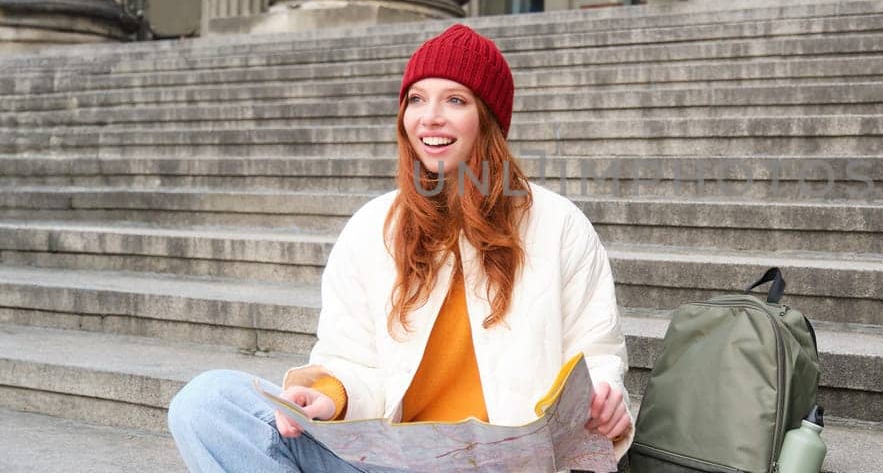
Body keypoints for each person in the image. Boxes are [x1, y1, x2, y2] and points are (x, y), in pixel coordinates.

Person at [167, 24, 633, 472]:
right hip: (392, 461)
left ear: (487, 119)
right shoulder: (373, 228)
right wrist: (328, 395)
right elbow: (350, 360)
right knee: (207, 403)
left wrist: (606, 398)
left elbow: (596, 353)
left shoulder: (558, 224)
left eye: (454, 99)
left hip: (507, 465)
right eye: (417, 99)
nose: (430, 116)